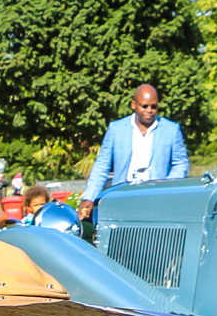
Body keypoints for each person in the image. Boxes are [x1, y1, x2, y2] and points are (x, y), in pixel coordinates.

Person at [78, 84, 190, 219]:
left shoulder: (171, 129)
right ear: (133, 105)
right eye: (144, 106)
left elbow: (181, 163)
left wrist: (166, 186)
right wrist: (89, 197)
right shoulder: (116, 129)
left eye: (154, 106)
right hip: (123, 196)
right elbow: (102, 165)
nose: (150, 110)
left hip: (157, 198)